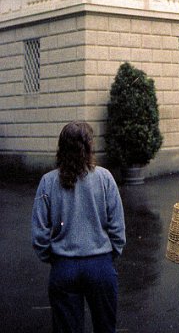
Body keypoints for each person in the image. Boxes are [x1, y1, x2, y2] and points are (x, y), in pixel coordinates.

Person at [31, 121, 126, 333]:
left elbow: (39, 234)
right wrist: (109, 255)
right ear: (89, 146)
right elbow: (118, 228)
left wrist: (55, 258)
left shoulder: (47, 182)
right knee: (105, 328)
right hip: (100, 265)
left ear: (61, 147)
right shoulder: (105, 178)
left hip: (63, 267)